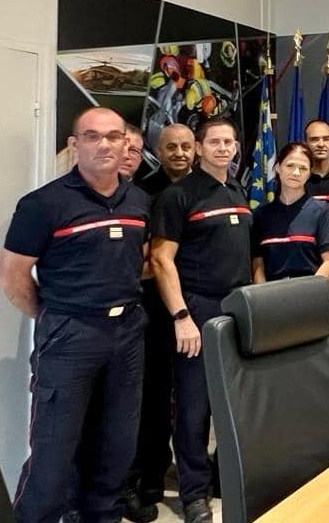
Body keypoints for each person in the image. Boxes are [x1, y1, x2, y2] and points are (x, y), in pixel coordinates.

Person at [0, 107, 150, 523]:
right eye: (92, 136)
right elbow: (11, 276)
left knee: (116, 448)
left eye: (113, 136)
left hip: (127, 335)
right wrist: (54, 318)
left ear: (126, 144)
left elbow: (140, 261)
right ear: (74, 144)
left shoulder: (138, 202)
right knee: (53, 456)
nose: (104, 144)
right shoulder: (43, 204)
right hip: (70, 336)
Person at [150, 117, 253, 523]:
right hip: (197, 311)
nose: (223, 148)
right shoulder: (178, 196)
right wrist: (181, 316)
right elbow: (161, 259)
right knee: (194, 407)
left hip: (237, 309)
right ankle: (193, 494)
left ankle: (223, 478)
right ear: (198, 147)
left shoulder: (237, 190)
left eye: (229, 142)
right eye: (214, 142)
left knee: (233, 402)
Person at [122, 123, 196, 522]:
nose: (179, 153)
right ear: (159, 150)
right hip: (153, 308)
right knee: (152, 397)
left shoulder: (210, 187)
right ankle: (148, 476)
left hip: (198, 304)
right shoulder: (143, 192)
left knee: (192, 397)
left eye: (186, 146)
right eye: (171, 147)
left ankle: (191, 474)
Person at [251, 142, 329, 283]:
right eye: (290, 166)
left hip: (309, 292)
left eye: (303, 168)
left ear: (309, 173)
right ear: (278, 167)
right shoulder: (261, 215)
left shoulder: (322, 211)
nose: (296, 173)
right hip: (271, 293)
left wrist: (309, 291)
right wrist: (262, 293)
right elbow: (257, 263)